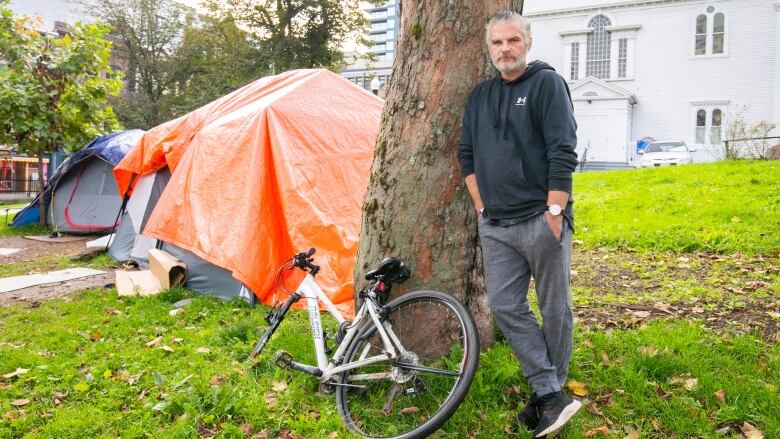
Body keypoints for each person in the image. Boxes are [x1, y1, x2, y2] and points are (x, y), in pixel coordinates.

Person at [457, 10, 581, 438]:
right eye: (497, 43)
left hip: (540, 219)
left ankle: (550, 393)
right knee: (507, 307)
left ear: (527, 42)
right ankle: (551, 394)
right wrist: (480, 208)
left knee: (553, 309)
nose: (505, 49)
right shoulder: (479, 96)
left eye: (512, 40)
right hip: (496, 225)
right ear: (488, 48)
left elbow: (563, 149)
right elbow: (467, 155)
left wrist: (554, 210)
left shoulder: (547, 84)